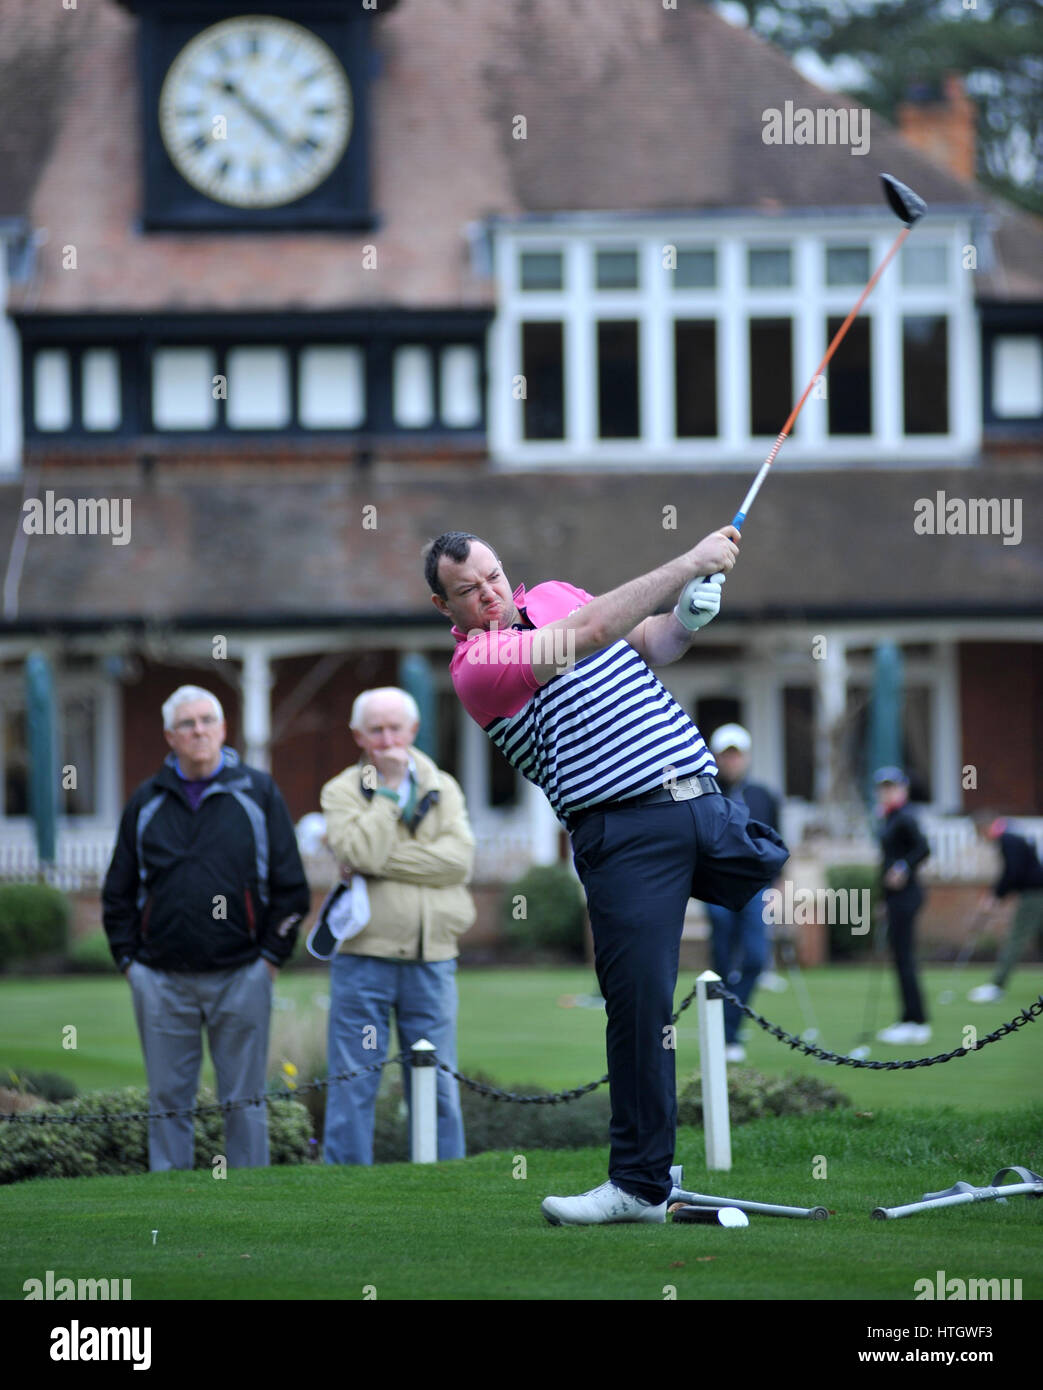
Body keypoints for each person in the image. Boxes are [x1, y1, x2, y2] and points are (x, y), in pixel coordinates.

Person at [424, 530, 788, 1226]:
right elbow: (590, 632)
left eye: (494, 575)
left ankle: (647, 1175)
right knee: (641, 1009)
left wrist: (686, 618)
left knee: (766, 863)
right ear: (445, 604)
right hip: (622, 832)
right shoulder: (479, 664)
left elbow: (643, 643)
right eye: (469, 590)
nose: (490, 594)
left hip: (700, 803)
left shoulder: (556, 593)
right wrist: (689, 563)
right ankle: (639, 1183)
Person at [102, 685, 309, 1171]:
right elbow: (117, 892)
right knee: (168, 1100)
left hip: (243, 974)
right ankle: (170, 1209)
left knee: (245, 1100)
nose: (198, 731)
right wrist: (130, 963)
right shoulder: (146, 801)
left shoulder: (258, 793)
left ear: (223, 729)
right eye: (187, 724)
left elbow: (291, 889)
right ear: (170, 736)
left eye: (207, 721)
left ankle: (249, 1204)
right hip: (160, 978)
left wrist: (269, 960)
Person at [319, 687, 476, 1165]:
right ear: (358, 735)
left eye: (395, 728)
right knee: (353, 1081)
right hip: (364, 957)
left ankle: (444, 1179)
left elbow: (459, 863)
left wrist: (378, 860)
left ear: (413, 730)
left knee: (438, 1081)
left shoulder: (442, 785)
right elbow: (359, 854)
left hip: (433, 959)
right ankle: (344, 1186)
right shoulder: (342, 790)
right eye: (376, 729)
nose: (387, 739)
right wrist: (387, 794)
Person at [704, 723, 782, 1063]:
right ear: (717, 757)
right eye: (726, 755)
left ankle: (730, 1025)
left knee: (754, 958)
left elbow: (775, 841)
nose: (732, 761)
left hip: (755, 889)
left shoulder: (764, 795)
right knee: (722, 962)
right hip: (718, 889)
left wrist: (779, 884)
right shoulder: (704, 793)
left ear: (746, 757)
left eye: (737, 755)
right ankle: (725, 1034)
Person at [872, 767, 931, 1045]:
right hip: (895, 899)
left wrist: (903, 867)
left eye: (892, 787)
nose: (887, 792)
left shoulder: (905, 817)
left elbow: (923, 848)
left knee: (905, 958)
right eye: (883, 788)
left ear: (903, 789)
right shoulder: (889, 817)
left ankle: (916, 1022)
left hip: (907, 896)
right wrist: (884, 899)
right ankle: (909, 1017)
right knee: (900, 958)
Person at [967, 813, 1043, 1003]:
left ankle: (996, 986)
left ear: (985, 828)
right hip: (1035, 892)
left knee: (1016, 938)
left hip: (1035, 895)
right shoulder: (1011, 837)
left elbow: (1012, 872)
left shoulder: (1008, 840)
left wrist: (996, 896)